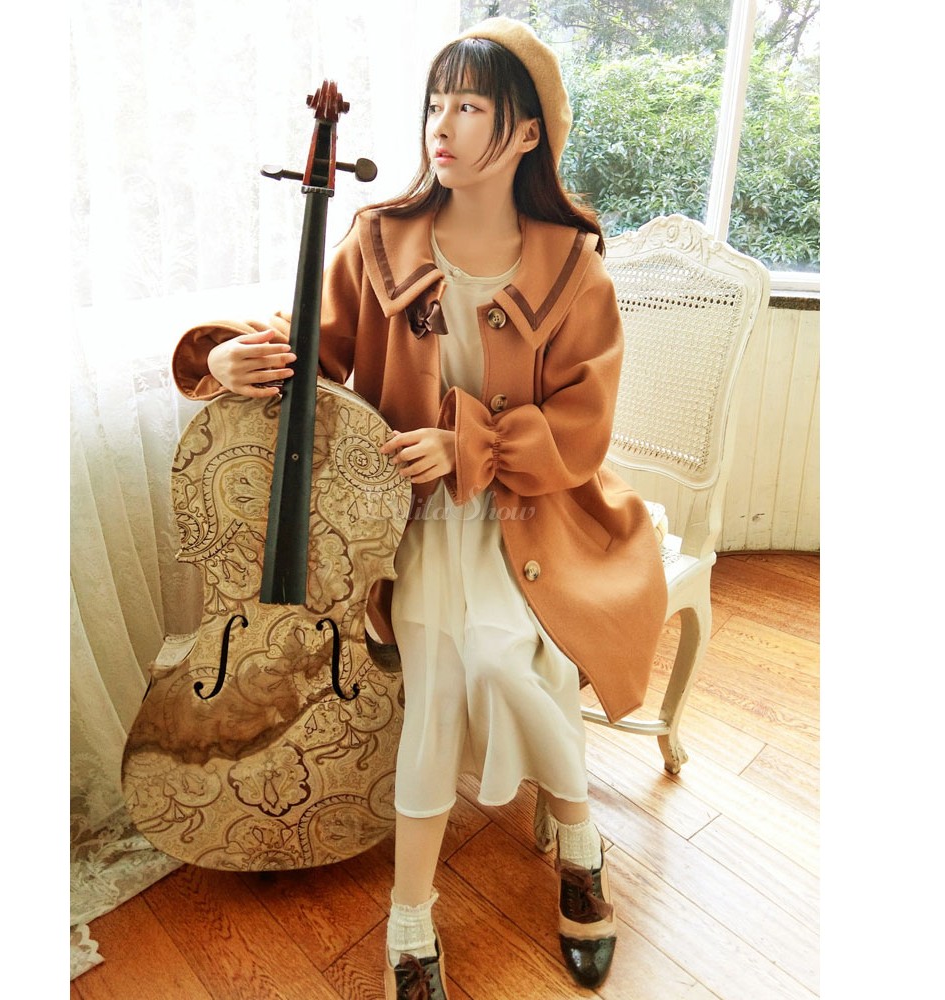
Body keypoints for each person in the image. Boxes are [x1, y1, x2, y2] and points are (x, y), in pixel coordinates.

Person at [172, 16, 667, 999]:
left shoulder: (575, 265)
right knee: (448, 679)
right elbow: (310, 348)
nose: (443, 124)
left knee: (492, 663)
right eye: (436, 103)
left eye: (470, 106)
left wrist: (469, 443)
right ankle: (433, 908)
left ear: (528, 132)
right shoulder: (379, 238)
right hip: (414, 522)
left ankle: (557, 855)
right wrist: (222, 355)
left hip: (535, 516)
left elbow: (583, 427)